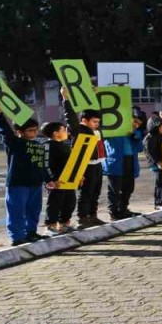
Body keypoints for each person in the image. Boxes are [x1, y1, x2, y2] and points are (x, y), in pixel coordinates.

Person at [0, 102, 53, 246]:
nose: (34, 133)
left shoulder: (38, 145)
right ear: (19, 131)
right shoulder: (14, 143)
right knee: (16, 211)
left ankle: (31, 232)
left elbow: (42, 165)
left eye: (36, 130)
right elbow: (4, 130)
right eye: (30, 130)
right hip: (17, 184)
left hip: (35, 184)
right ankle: (17, 237)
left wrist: (48, 179)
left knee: (34, 211)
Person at [62, 89, 105, 230]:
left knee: (96, 192)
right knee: (86, 192)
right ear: (84, 121)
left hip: (98, 164)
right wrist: (65, 99)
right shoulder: (79, 129)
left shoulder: (96, 130)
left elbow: (96, 112)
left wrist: (93, 95)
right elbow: (70, 118)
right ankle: (82, 217)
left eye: (98, 121)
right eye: (94, 121)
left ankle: (93, 215)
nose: (97, 124)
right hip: (85, 166)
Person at [103, 112, 145, 220]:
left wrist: (134, 135)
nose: (136, 124)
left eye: (138, 123)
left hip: (130, 161)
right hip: (116, 162)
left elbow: (140, 148)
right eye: (134, 121)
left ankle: (123, 209)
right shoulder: (113, 131)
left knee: (128, 188)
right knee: (115, 189)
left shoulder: (135, 133)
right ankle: (113, 212)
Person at [41, 121, 75, 235]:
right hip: (56, 181)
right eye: (64, 130)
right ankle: (51, 226)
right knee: (55, 203)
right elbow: (45, 164)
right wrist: (50, 180)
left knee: (70, 202)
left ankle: (64, 223)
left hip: (68, 180)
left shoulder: (65, 145)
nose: (67, 132)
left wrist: (77, 177)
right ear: (56, 133)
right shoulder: (47, 146)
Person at [144, 119, 162, 210]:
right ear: (156, 127)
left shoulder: (160, 136)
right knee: (160, 183)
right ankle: (158, 203)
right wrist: (157, 162)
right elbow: (150, 152)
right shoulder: (150, 137)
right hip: (157, 163)